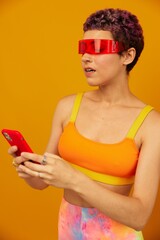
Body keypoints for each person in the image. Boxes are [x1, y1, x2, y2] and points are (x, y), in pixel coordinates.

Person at [9, 8, 160, 240]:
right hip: (68, 231)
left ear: (127, 56)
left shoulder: (151, 125)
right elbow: (41, 183)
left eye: (97, 49)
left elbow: (138, 217)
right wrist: (29, 169)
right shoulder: (67, 107)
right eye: (83, 49)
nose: (85, 57)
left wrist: (72, 179)